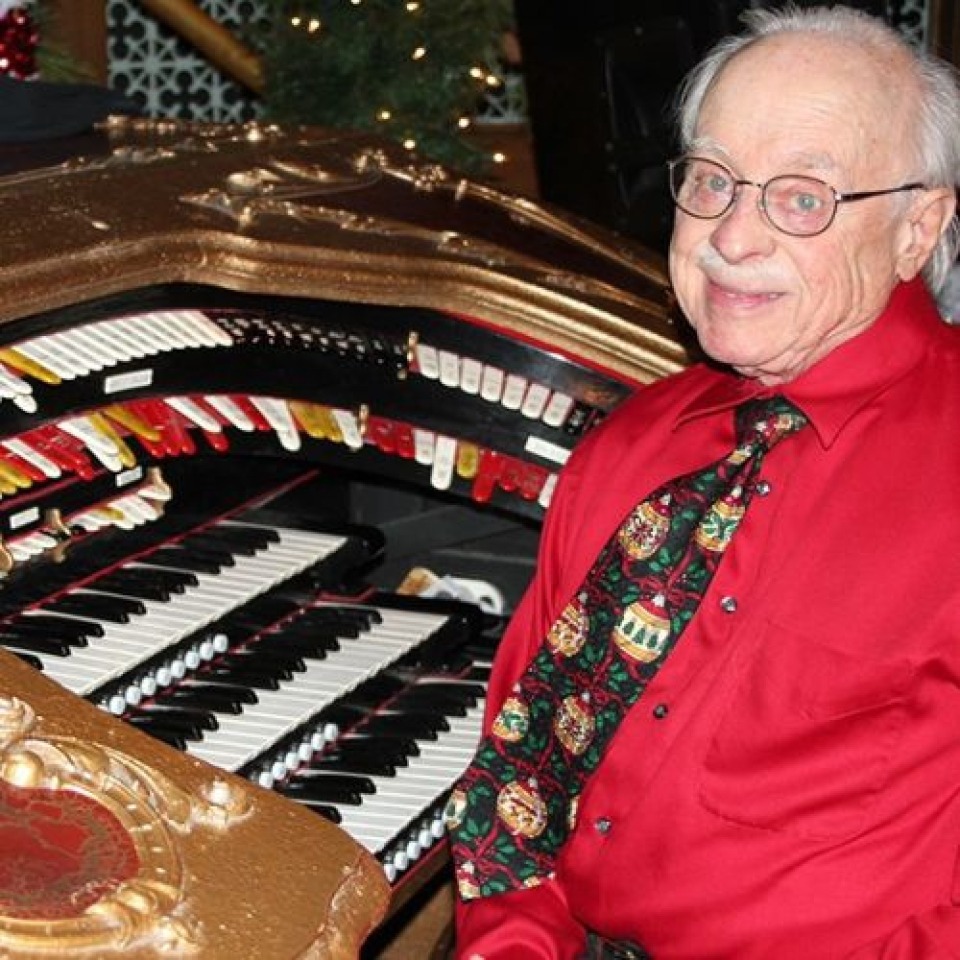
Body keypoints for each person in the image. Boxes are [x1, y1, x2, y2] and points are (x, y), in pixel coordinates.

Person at [445, 5, 960, 958]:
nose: (733, 237)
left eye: (802, 197)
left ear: (915, 228)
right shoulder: (631, 446)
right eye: (713, 181)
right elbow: (522, 774)